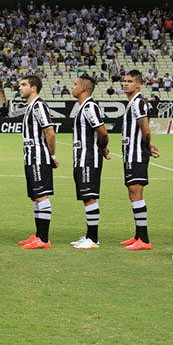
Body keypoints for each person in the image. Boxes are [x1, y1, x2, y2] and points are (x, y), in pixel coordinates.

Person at [119, 70, 160, 251]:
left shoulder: (138, 103)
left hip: (137, 154)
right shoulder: (132, 104)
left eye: (129, 81)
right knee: (132, 193)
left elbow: (145, 128)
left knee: (136, 193)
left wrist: (148, 146)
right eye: (124, 81)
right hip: (130, 155)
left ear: (138, 85)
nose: (125, 84)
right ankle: (138, 235)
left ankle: (144, 239)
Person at [16, 75, 58, 250]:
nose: (20, 88)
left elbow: (50, 131)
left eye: (24, 85)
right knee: (35, 196)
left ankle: (44, 238)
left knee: (41, 195)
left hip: (38, 157)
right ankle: (38, 235)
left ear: (34, 88)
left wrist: (52, 156)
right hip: (30, 158)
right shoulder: (31, 107)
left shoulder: (39, 105)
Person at [69, 75, 109, 250]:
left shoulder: (90, 107)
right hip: (81, 158)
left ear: (84, 88)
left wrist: (101, 147)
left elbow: (103, 132)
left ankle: (93, 239)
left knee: (89, 197)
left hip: (88, 158)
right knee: (86, 197)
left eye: (75, 84)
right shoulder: (83, 107)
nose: (72, 87)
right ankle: (89, 235)